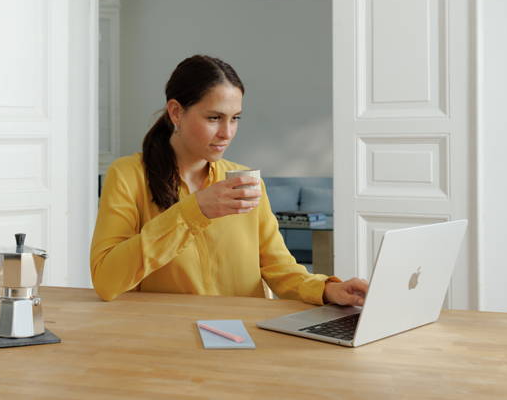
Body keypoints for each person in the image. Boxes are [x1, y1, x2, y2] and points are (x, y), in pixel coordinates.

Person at [90, 55, 368, 306]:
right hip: (168, 335)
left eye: (235, 118)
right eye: (214, 118)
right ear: (176, 112)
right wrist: (194, 210)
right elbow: (106, 280)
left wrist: (327, 289)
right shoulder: (127, 175)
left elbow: (280, 269)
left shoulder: (246, 181)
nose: (227, 133)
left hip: (244, 333)